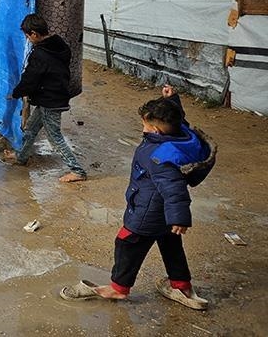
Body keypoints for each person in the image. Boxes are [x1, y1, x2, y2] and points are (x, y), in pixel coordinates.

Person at [60, 89, 216, 310]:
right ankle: (181, 286)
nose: (143, 129)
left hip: (148, 211)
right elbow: (177, 117)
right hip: (164, 215)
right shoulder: (182, 135)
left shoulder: (158, 156)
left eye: (146, 126)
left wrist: (180, 217)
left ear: (157, 130)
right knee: (171, 245)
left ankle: (119, 288)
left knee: (126, 242)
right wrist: (170, 100)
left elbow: (174, 189)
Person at [2, 14, 87, 182]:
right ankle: (21, 156)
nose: (27, 39)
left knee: (55, 138)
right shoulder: (60, 46)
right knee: (31, 129)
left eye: (27, 35)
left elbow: (30, 78)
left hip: (50, 101)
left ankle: (77, 170)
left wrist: (16, 92)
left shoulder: (40, 54)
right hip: (52, 97)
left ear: (34, 34)